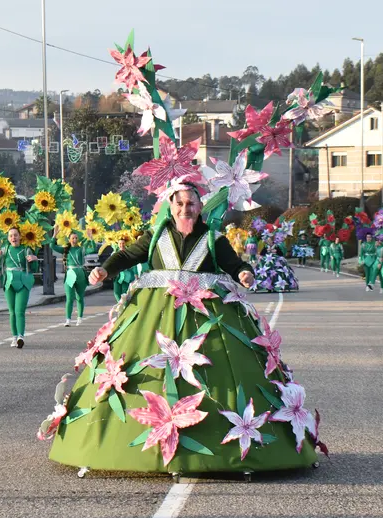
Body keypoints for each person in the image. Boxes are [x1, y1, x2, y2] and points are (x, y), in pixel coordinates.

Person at [43, 187, 322, 474]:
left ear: (201, 207)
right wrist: (105, 270)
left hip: (207, 319)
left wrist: (244, 273)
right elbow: (127, 256)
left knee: (220, 373)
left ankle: (230, 443)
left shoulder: (213, 239)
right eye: (180, 203)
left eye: (191, 203)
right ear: (171, 206)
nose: (185, 209)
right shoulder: (155, 239)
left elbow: (234, 264)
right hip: (155, 317)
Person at [0, 227, 38, 348]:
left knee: (19, 311)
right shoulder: (5, 250)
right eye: (11, 235)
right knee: (12, 312)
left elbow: (34, 268)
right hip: (9, 281)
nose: (13, 237)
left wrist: (34, 259)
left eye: (16, 235)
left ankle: (20, 337)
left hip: (23, 281)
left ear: (20, 236)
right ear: (8, 238)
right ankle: (14, 337)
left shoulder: (26, 250)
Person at [52, 230, 96, 327]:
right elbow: (53, 246)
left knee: (79, 298)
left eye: (76, 238)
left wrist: (91, 238)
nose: (74, 240)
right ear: (69, 239)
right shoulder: (65, 249)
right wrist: (54, 234)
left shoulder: (81, 249)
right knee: (69, 298)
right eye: (73, 238)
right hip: (70, 274)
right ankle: (68, 320)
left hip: (80, 273)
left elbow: (92, 249)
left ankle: (79, 317)